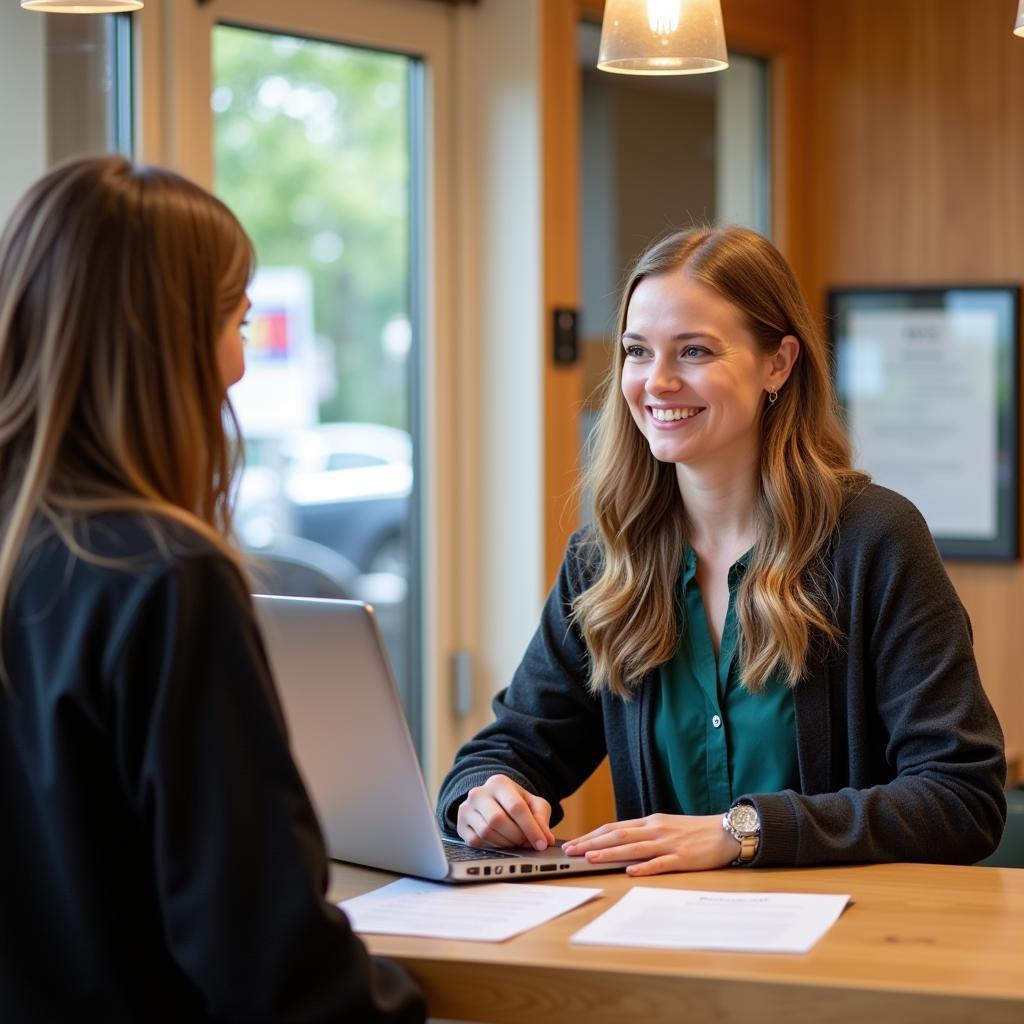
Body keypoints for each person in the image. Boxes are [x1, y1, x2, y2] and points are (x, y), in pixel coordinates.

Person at [438, 225, 1007, 875]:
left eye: (695, 352)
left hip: (847, 941)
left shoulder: (874, 541)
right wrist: (480, 800)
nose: (657, 382)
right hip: (664, 941)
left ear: (778, 363)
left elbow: (962, 798)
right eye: (637, 351)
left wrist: (745, 830)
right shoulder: (605, 560)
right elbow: (510, 750)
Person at [0, 156, 425, 1022]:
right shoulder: (166, 579)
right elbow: (266, 957)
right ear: (169, 339)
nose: (239, 363)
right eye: (237, 319)